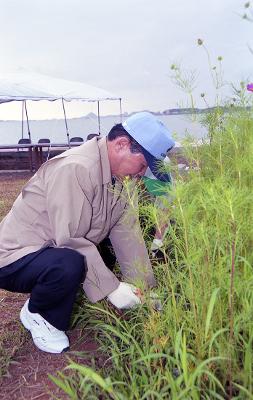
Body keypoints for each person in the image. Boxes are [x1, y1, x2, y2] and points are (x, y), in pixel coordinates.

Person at [0, 111, 175, 354]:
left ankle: (45, 295)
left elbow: (128, 234)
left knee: (106, 248)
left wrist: (146, 289)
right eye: (143, 165)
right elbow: (69, 240)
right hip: (15, 257)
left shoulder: (123, 179)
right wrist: (111, 288)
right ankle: (39, 314)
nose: (142, 174)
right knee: (70, 263)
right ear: (122, 145)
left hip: (51, 250)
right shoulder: (76, 168)